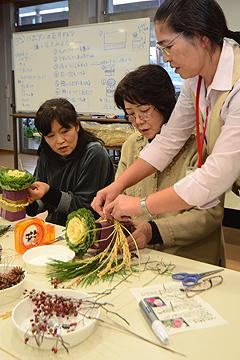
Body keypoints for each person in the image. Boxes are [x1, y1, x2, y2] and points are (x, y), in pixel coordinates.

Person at [92, 0, 240, 225]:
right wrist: (117, 185)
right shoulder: (195, 81)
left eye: (167, 46)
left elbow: (216, 175)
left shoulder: (237, 84)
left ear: (201, 37)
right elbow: (169, 139)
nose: (165, 57)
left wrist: (139, 205)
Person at [114, 64, 225, 265]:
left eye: (145, 111)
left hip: (191, 260)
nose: (138, 121)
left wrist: (153, 231)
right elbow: (122, 199)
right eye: (130, 114)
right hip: (142, 258)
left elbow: (209, 215)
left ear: (165, 104)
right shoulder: (131, 146)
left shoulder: (200, 146)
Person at [27, 98, 115, 226]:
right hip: (56, 229)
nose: (60, 141)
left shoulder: (94, 153)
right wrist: (30, 203)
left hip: (89, 231)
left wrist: (49, 193)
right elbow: (43, 198)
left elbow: (86, 207)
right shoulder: (46, 154)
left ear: (77, 125)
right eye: (51, 136)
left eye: (65, 132)